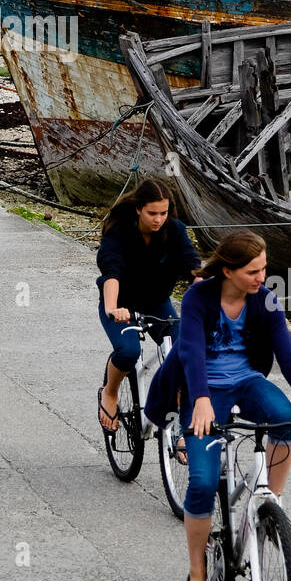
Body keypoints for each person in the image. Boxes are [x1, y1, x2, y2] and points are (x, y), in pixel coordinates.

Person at [143, 229, 291, 581]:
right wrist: (199, 401)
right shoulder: (199, 297)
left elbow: (287, 353)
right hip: (203, 389)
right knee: (200, 483)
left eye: (264, 269)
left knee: (285, 421)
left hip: (247, 381)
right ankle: (197, 575)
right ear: (229, 270)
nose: (261, 279)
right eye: (253, 271)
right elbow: (192, 353)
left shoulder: (264, 299)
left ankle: (271, 505)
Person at [96, 177, 200, 434]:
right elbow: (112, 273)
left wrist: (207, 291)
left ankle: (181, 427)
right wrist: (112, 308)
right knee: (129, 352)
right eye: (152, 213)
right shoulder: (119, 231)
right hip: (121, 304)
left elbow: (192, 265)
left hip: (157, 303)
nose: (158, 219)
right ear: (138, 209)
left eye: (163, 213)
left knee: (186, 353)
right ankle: (109, 391)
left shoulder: (175, 230)